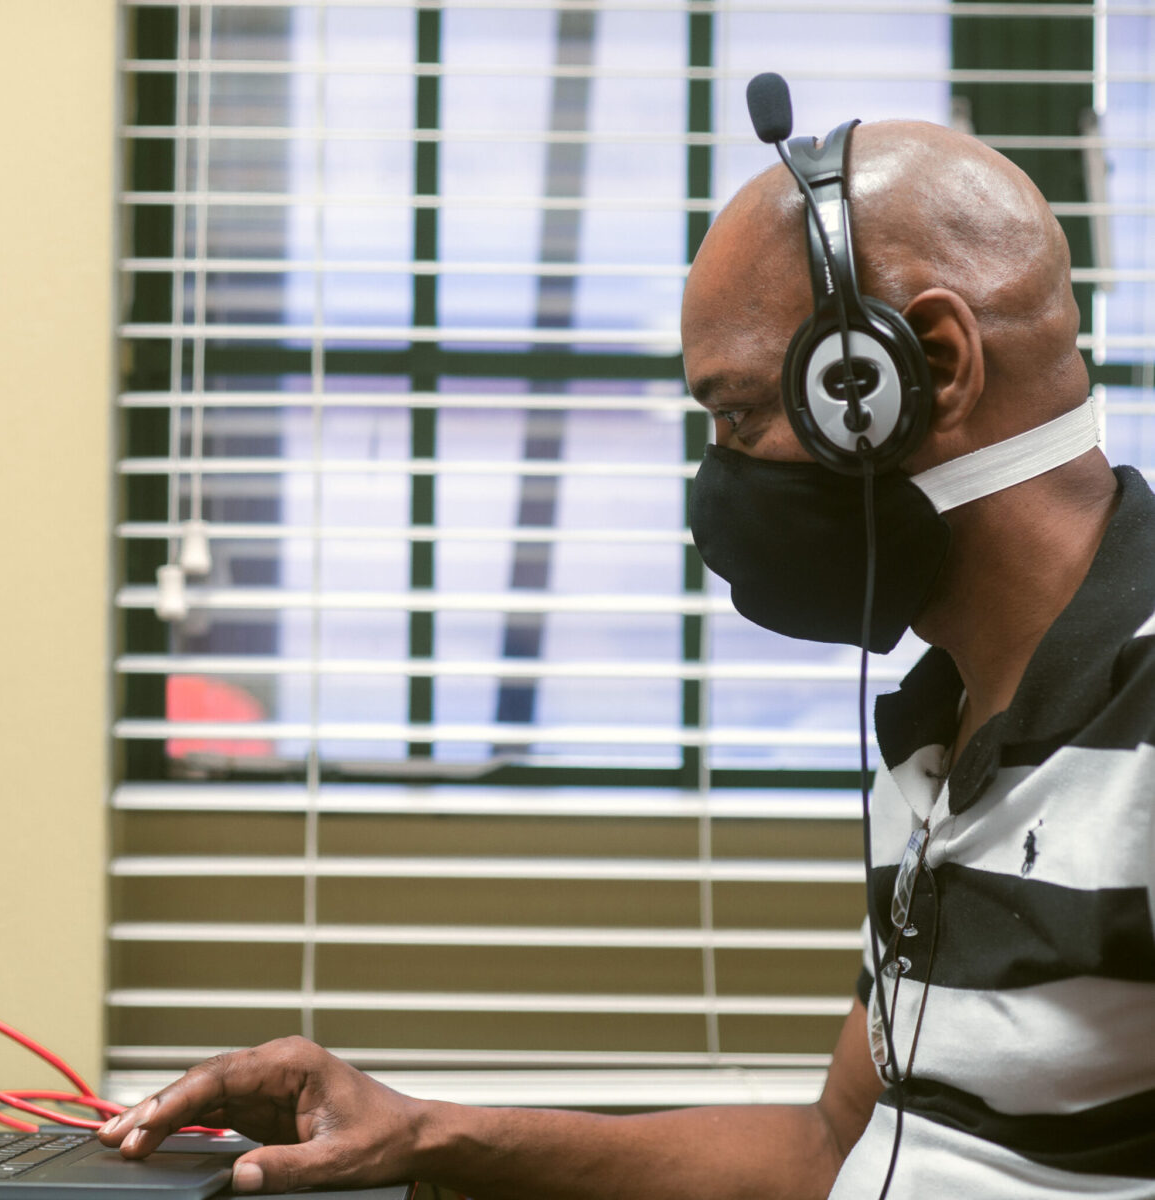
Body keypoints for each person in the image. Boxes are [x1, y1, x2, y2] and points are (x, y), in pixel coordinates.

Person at [98, 121, 1155, 1198]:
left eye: (739, 413)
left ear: (928, 367)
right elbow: (836, 1148)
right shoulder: (940, 730)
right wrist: (423, 1135)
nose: (721, 476)